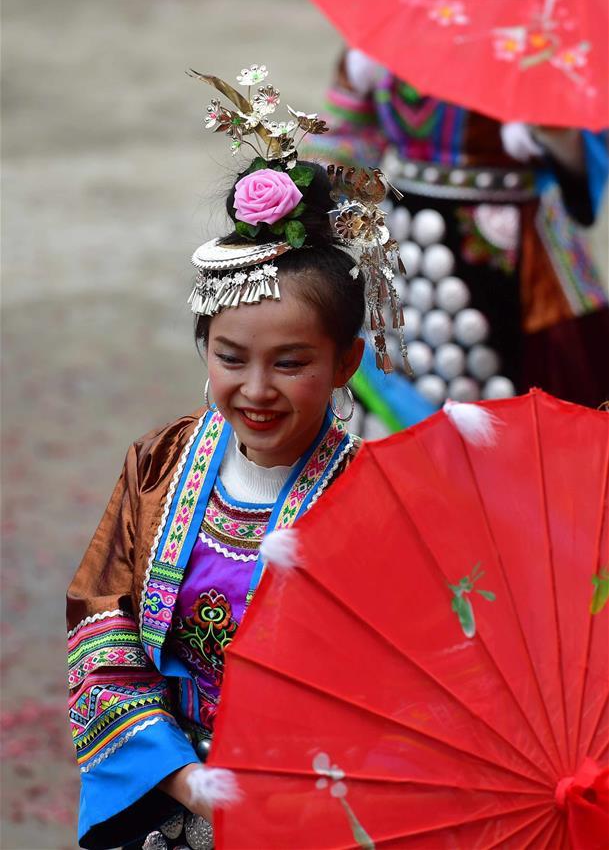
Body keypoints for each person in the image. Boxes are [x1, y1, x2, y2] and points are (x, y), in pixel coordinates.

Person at [66, 64, 406, 850]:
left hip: (316, 809)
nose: (256, 388)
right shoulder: (160, 463)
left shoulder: (377, 498)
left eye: (291, 362)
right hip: (170, 790)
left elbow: (403, 682)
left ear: (347, 362)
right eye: (230, 356)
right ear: (204, 348)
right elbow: (102, 619)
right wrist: (180, 775)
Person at [303, 50, 609, 410]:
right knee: (401, 391)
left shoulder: (544, 39)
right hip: (410, 248)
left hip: (525, 247)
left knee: (547, 405)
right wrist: (308, 189)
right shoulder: (388, 37)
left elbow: (588, 155)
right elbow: (345, 138)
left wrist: (557, 133)